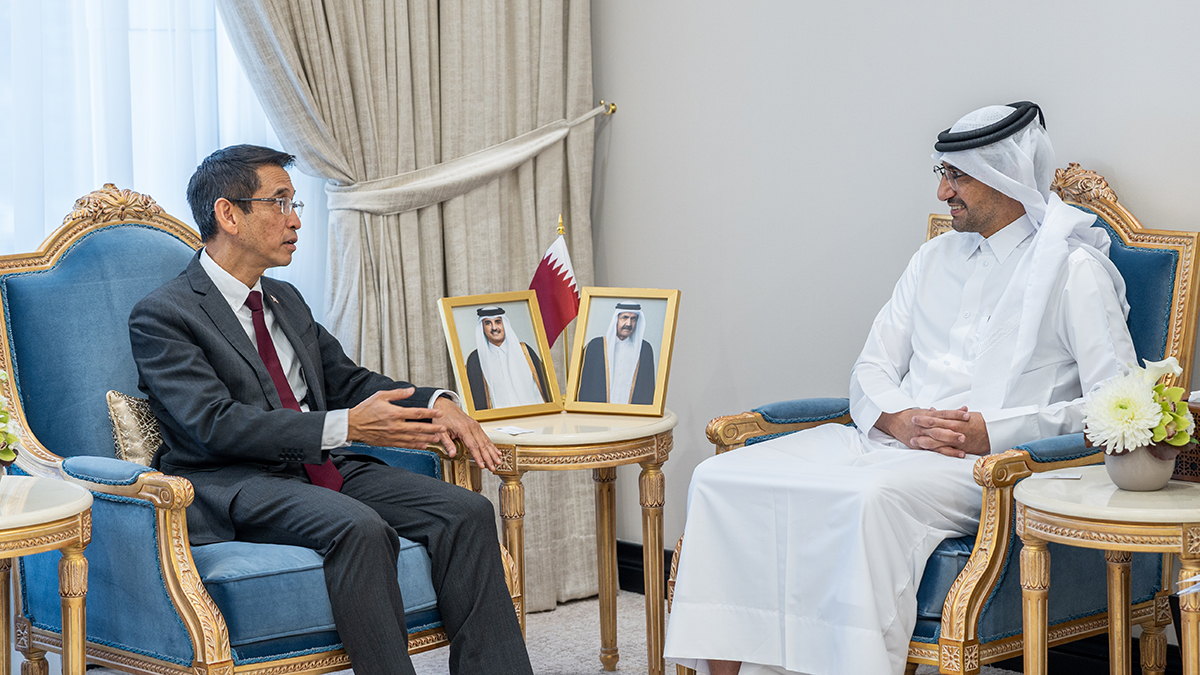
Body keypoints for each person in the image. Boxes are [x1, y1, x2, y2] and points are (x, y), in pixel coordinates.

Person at [663, 102, 1136, 675]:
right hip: (888, 440)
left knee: (868, 498)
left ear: (1004, 175)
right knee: (722, 477)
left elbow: (1114, 408)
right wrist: (896, 418)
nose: (943, 192)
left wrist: (994, 432)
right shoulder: (931, 259)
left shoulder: (1073, 270)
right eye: (943, 174)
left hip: (983, 466)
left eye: (956, 176)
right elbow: (871, 367)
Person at [129, 145, 533, 675]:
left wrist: (437, 403)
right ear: (229, 214)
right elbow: (214, 424)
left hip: (319, 467)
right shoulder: (164, 314)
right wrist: (347, 426)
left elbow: (348, 382)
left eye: (294, 204)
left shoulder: (285, 299)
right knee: (360, 527)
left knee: (467, 512)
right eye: (279, 202)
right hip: (236, 480)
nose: (295, 220)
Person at [464, 307, 551, 410]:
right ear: (482, 328)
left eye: (498, 322)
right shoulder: (475, 359)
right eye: (488, 323)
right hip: (497, 419)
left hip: (535, 415)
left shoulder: (525, 351)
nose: (494, 328)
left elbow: (546, 385)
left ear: (504, 324)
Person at [577, 302, 656, 404]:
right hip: (599, 411)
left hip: (631, 412)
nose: (629, 324)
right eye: (624, 317)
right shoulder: (595, 346)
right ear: (616, 319)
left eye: (633, 319)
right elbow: (585, 385)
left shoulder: (645, 349)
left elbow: (648, 389)